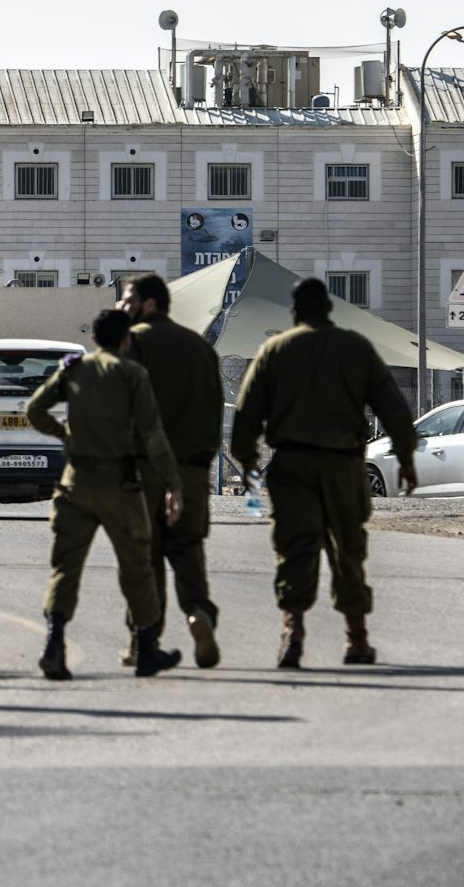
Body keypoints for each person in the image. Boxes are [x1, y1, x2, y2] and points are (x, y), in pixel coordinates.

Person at [231, 277, 418, 668]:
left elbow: (248, 411)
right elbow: (391, 405)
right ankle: (356, 640)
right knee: (348, 549)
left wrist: (247, 461)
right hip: (343, 465)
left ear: (294, 311)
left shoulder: (275, 350)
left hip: (293, 464)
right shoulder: (356, 348)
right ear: (330, 309)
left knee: (295, 548)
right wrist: (405, 457)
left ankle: (293, 632)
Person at [25, 309, 184, 680]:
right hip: (119, 483)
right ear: (126, 339)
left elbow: (35, 410)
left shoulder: (73, 369)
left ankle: (54, 644)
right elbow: (152, 435)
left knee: (66, 567)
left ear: (94, 338)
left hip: (76, 481)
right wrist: (173, 484)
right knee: (137, 566)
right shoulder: (132, 373)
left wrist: (65, 434)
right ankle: (146, 649)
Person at [120, 273, 227, 669]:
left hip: (144, 467)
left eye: (128, 299)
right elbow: (215, 411)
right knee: (186, 547)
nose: (121, 306)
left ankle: (142, 639)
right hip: (193, 469)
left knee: (143, 555)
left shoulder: (132, 342)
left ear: (149, 304)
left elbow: (122, 406)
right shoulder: (200, 348)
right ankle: (198, 611)